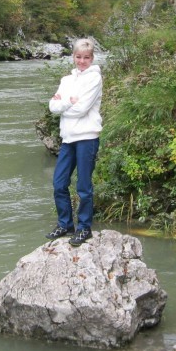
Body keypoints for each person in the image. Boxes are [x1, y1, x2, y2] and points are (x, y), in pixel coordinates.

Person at [45, 38, 102, 246]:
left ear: (92, 58)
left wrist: (65, 105)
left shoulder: (94, 78)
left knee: (83, 186)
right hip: (68, 138)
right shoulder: (66, 80)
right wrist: (69, 102)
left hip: (87, 137)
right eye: (78, 57)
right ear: (73, 57)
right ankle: (65, 224)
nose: (82, 61)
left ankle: (84, 228)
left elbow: (82, 109)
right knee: (59, 183)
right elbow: (52, 106)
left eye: (86, 57)